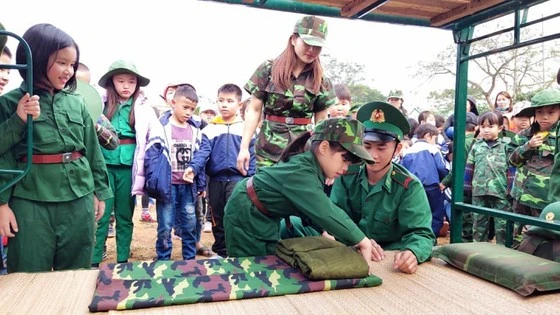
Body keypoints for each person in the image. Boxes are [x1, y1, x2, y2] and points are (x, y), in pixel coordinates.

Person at [0, 23, 111, 272]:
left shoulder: (77, 102)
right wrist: (1, 204)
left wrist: (100, 192)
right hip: (30, 201)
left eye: (72, 64)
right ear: (38, 58)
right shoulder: (8, 103)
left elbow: (92, 150)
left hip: (79, 198)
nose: (69, 71)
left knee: (76, 272)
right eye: (62, 62)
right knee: (28, 276)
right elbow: (2, 157)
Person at [287, 102, 436, 274]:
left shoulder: (409, 186)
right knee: (292, 224)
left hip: (388, 258)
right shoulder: (346, 174)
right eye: (366, 146)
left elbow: (422, 233)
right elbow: (334, 217)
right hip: (350, 246)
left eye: (381, 148)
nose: (373, 155)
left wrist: (413, 253)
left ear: (398, 149)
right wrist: (358, 240)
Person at [224, 117, 376, 270]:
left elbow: (308, 207)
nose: (345, 168)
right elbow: (325, 210)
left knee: (267, 266)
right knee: (248, 270)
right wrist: (362, 241)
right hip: (246, 212)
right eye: (344, 160)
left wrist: (325, 231)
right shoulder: (302, 172)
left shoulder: (310, 167)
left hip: (264, 214)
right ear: (324, 147)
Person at [237, 15, 335, 172]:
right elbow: (254, 109)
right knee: (265, 194)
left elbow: (322, 122)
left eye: (317, 46)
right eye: (307, 43)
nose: (312, 50)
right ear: (294, 39)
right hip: (268, 150)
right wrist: (243, 148)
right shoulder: (269, 69)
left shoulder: (321, 80)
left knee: (296, 195)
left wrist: (325, 160)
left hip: (302, 151)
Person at [91, 59, 155, 266]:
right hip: (103, 167)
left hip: (130, 168)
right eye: (121, 81)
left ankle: (123, 260)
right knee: (100, 215)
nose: (126, 86)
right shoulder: (98, 103)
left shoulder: (144, 107)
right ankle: (93, 260)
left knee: (125, 216)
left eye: (131, 81)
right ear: (112, 82)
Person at [185, 83, 255, 257]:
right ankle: (222, 252)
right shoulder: (210, 129)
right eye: (221, 100)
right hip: (215, 181)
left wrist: (252, 178)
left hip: (240, 180)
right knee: (217, 216)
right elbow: (203, 153)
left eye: (230, 101)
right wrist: (193, 168)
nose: (224, 104)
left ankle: (238, 252)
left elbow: (253, 156)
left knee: (236, 215)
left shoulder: (248, 129)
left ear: (239, 105)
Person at [147, 84, 202, 261]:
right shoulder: (161, 127)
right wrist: (154, 182)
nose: (188, 112)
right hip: (167, 186)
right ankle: (163, 259)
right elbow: (151, 156)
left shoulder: (195, 130)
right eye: (185, 107)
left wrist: (199, 182)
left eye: (192, 109)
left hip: (187, 186)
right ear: (173, 102)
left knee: (190, 223)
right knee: (165, 225)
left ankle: (190, 259)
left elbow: (201, 158)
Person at [509, 88, 560, 220]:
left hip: (546, 200)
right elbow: (511, 161)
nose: (545, 117)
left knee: (544, 237)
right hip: (521, 197)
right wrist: (528, 146)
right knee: (518, 237)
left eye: (551, 112)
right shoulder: (524, 135)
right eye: (539, 112)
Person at [464, 111, 511, 245]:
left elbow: (512, 169)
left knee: (502, 226)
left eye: (490, 126)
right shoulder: (477, 146)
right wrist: (466, 187)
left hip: (500, 192)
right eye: (483, 126)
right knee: (479, 225)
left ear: (500, 128)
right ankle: (479, 251)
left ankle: (503, 253)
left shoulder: (506, 146)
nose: (486, 130)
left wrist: (511, 189)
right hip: (479, 191)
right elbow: (469, 166)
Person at [401, 123, 449, 236]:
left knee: (417, 213)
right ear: (428, 136)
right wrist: (443, 182)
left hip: (413, 188)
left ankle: (417, 237)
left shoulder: (408, 151)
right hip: (432, 187)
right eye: (434, 138)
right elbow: (442, 168)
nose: (435, 141)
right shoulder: (433, 149)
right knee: (435, 213)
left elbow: (403, 170)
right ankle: (431, 237)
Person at [440, 111, 478, 242]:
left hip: (464, 184)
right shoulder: (478, 141)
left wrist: (444, 182)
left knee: (465, 216)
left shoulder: (461, 143)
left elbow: (458, 168)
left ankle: (464, 242)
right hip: (478, 183)